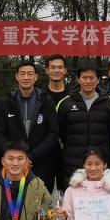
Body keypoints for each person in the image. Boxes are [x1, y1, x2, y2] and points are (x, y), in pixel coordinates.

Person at [0, 60, 59, 187]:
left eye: (30, 74)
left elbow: (53, 133)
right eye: (22, 74)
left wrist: (31, 157)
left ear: (36, 77)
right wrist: (15, 157)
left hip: (41, 164)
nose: (26, 77)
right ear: (16, 76)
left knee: (40, 198)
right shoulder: (5, 102)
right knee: (13, 199)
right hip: (13, 166)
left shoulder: (46, 101)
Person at [56, 65, 110, 181]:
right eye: (84, 78)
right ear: (78, 79)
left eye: (92, 78)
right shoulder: (65, 103)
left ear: (98, 80)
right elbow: (59, 133)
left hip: (100, 164)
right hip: (73, 164)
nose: (88, 81)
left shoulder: (109, 103)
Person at [44, 54, 71, 191]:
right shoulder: (39, 95)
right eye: (53, 67)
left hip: (67, 153)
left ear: (65, 70)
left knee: (67, 194)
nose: (56, 70)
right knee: (43, 196)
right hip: (44, 153)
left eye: (60, 67)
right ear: (46, 70)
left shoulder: (73, 95)